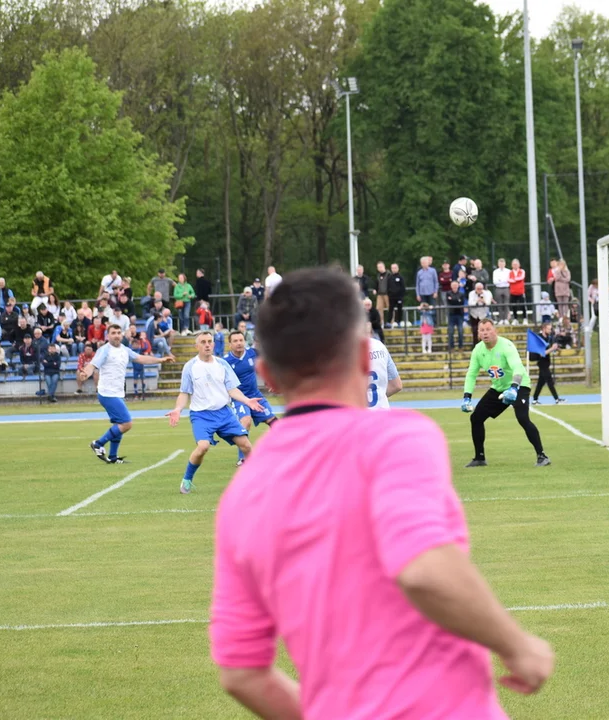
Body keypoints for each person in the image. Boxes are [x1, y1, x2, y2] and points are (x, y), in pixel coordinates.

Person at [209, 267, 554, 720]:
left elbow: (240, 673)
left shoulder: (242, 493)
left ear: (265, 374)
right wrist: (516, 644)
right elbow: (425, 569)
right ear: (361, 356)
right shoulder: (399, 439)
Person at [166, 330, 264, 493]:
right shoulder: (190, 367)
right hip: (201, 415)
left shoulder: (222, 364)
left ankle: (256, 479)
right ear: (196, 345)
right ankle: (187, 479)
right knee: (203, 446)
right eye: (203, 342)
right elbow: (184, 393)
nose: (207, 345)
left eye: (209, 341)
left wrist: (247, 401)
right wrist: (177, 409)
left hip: (224, 414)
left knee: (246, 445)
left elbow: (232, 390)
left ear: (214, 344)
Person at [79, 324, 173, 464]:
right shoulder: (105, 350)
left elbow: (141, 358)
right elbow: (93, 364)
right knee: (127, 423)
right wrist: (86, 373)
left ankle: (113, 457)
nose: (116, 335)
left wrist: (161, 360)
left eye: (118, 332)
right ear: (108, 335)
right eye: (113, 333)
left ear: (122, 335)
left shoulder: (125, 350)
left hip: (117, 393)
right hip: (107, 392)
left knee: (119, 424)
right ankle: (98, 444)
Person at [462, 318, 550, 468]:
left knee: (522, 418)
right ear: (478, 333)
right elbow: (471, 374)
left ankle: (542, 456)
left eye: (488, 329)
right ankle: (479, 458)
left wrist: (514, 388)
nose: (485, 333)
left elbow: (517, 367)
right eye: (482, 330)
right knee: (476, 418)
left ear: (495, 330)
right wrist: (466, 397)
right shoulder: (478, 350)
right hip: (499, 387)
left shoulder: (506, 346)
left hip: (519, 384)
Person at [223, 330, 278, 466]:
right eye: (235, 341)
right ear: (230, 344)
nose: (239, 343)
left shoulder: (253, 353)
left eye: (241, 340)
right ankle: (243, 457)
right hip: (239, 398)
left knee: (273, 421)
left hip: (256, 395)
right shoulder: (225, 362)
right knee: (245, 421)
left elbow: (266, 364)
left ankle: (285, 451)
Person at [367, 325, 402, 410]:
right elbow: (396, 385)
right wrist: (379, 396)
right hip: (383, 415)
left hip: (359, 417)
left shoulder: (347, 350)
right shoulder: (380, 346)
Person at [530, 323, 562, 405]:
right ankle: (557, 399)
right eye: (549, 329)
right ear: (544, 328)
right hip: (542, 362)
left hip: (546, 362)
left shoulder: (548, 338)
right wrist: (552, 349)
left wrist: (556, 348)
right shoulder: (539, 338)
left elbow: (548, 350)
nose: (550, 331)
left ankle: (534, 399)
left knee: (541, 383)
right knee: (550, 381)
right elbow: (541, 353)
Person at [445, 280, 466, 351]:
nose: (454, 287)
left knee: (460, 331)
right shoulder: (448, 293)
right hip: (451, 314)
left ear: (458, 286)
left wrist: (454, 300)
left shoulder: (461, 294)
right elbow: (449, 302)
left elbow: (461, 302)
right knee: (451, 331)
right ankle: (452, 347)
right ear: (451, 286)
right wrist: (457, 300)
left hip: (459, 314)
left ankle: (461, 346)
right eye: (453, 285)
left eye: (455, 285)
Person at [386, 262, 406, 327]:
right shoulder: (389, 277)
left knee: (399, 309)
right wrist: (389, 293)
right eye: (392, 268)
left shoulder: (400, 277)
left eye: (395, 268)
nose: (394, 269)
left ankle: (399, 322)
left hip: (399, 297)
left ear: (398, 268)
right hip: (391, 297)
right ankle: (388, 322)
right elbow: (388, 286)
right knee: (390, 309)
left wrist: (401, 296)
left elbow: (403, 287)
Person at [492, 258, 511, 324]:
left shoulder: (508, 271)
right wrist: (503, 281)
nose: (501, 264)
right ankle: (501, 319)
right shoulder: (495, 272)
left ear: (505, 264)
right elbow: (495, 281)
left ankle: (505, 319)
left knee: (506, 304)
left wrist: (501, 280)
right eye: (500, 263)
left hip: (506, 288)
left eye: (502, 263)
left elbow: (509, 280)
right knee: (499, 304)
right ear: (498, 264)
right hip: (498, 288)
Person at [507, 259, 527, 324]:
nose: (515, 266)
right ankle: (515, 319)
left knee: (523, 305)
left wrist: (514, 279)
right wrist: (515, 280)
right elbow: (508, 280)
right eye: (514, 264)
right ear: (512, 265)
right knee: (513, 306)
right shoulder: (510, 272)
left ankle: (525, 318)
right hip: (513, 292)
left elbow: (521, 278)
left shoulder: (522, 271)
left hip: (521, 291)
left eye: (516, 264)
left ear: (519, 265)